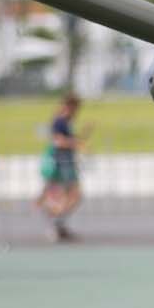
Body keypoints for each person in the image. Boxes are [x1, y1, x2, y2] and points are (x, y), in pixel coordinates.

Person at [36, 93, 88, 241]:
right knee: (71, 195)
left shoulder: (64, 122)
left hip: (65, 162)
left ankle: (58, 224)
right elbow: (58, 142)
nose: (76, 113)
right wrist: (76, 143)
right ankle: (56, 222)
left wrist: (80, 138)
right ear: (69, 107)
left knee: (66, 195)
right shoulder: (59, 121)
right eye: (75, 109)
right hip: (61, 163)